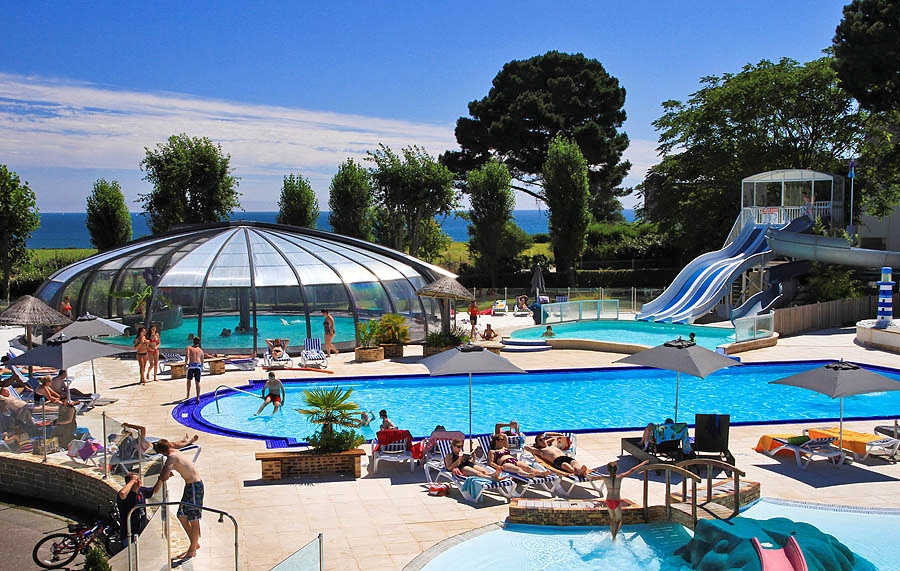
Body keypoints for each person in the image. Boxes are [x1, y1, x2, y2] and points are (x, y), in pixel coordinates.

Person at [153, 439, 204, 560]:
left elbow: (164, 477)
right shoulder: (174, 450)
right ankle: (194, 543)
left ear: (162, 452)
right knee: (181, 515)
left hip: (194, 487)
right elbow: (179, 444)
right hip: (189, 486)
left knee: (194, 518)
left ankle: (192, 550)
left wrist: (165, 472)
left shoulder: (171, 457)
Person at [598, 460, 649, 540]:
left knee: (612, 519)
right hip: (616, 501)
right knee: (619, 520)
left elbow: (592, 477)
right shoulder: (620, 477)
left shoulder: (604, 478)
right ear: (617, 469)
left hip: (608, 501)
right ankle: (614, 537)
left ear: (607, 470)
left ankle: (612, 534)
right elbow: (632, 470)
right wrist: (642, 464)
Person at [117, 472, 155, 546]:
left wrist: (161, 479)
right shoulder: (126, 495)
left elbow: (154, 491)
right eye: (136, 480)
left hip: (141, 531)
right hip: (129, 534)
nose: (139, 481)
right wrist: (132, 480)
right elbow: (122, 493)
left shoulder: (141, 491)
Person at [121, 421, 199, 453]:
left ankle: (183, 441)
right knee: (171, 445)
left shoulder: (130, 445)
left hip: (152, 449)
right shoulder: (138, 440)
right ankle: (188, 442)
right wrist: (128, 425)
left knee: (171, 443)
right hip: (155, 450)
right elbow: (143, 428)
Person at [185, 337, 204, 404]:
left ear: (193, 341)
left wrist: (185, 365)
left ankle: (188, 394)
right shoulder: (200, 350)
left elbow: (187, 356)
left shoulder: (189, 348)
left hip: (191, 366)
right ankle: (198, 397)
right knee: (197, 382)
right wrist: (202, 366)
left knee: (189, 380)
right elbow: (202, 359)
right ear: (198, 342)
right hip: (198, 366)